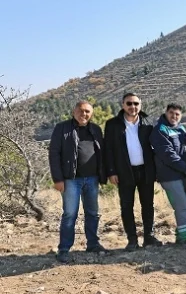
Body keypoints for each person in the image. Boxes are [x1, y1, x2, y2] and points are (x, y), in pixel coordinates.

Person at [49, 100, 108, 263]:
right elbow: (54, 154)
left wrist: (104, 175)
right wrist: (58, 179)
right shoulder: (62, 128)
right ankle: (64, 249)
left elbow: (102, 153)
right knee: (69, 214)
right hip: (70, 180)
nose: (84, 114)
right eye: (81, 111)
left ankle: (93, 244)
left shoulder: (95, 129)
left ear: (92, 113)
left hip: (92, 179)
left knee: (92, 213)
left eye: (87, 112)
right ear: (74, 112)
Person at [104, 93, 162, 252]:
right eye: (129, 103)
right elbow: (108, 150)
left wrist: (157, 170)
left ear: (140, 105)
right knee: (126, 206)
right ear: (123, 105)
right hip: (124, 172)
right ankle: (132, 240)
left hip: (146, 170)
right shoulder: (112, 124)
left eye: (136, 103)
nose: (133, 106)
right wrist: (111, 171)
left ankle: (149, 237)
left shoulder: (149, 122)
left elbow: (156, 148)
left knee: (148, 206)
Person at [150, 104, 186, 253]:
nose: (174, 116)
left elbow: (185, 146)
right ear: (166, 113)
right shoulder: (159, 130)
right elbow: (168, 154)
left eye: (177, 114)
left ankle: (183, 234)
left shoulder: (180, 129)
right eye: (171, 113)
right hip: (170, 175)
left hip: (183, 174)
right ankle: (185, 238)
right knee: (181, 206)